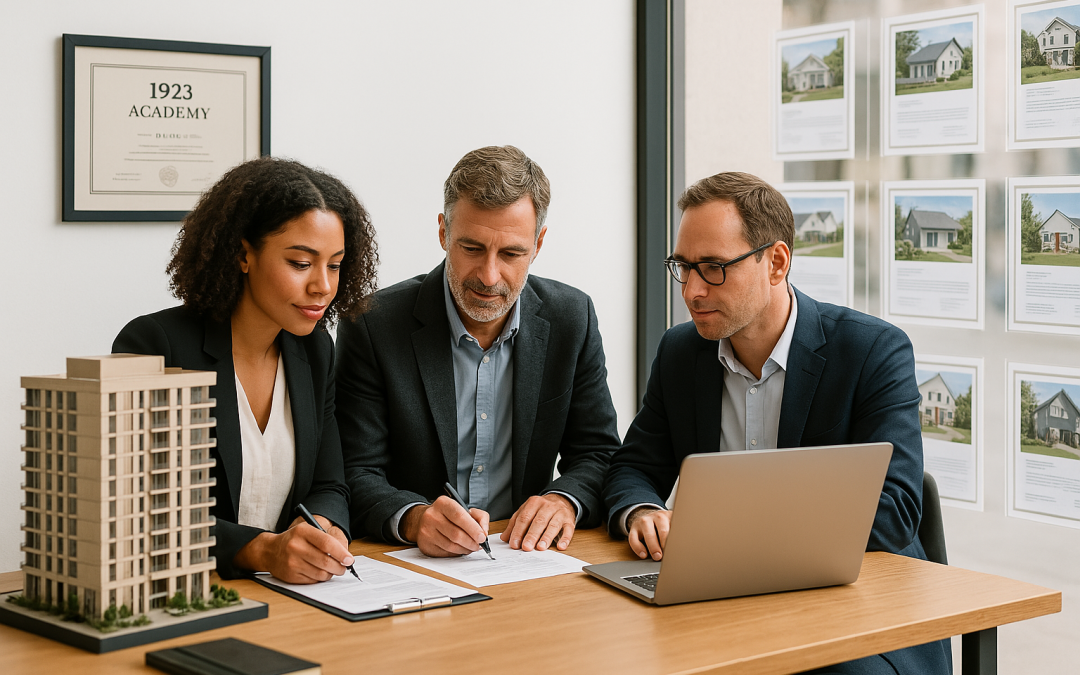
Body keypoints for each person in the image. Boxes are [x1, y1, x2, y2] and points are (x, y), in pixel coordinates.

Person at [602, 172, 951, 675]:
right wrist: (641, 511)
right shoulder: (681, 352)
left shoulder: (872, 350)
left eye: (715, 268)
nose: (693, 290)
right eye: (684, 267)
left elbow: (894, 510)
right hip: (722, 607)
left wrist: (725, 537)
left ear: (776, 262)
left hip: (859, 613)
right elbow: (634, 465)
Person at [336, 145, 620, 557]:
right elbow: (354, 470)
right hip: (414, 564)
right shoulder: (374, 325)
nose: (489, 276)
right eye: (471, 249)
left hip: (527, 559)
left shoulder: (572, 318)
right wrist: (415, 517)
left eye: (511, 254)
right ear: (442, 233)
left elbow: (599, 452)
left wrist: (563, 501)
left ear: (538, 244)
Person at [113, 157, 379, 583]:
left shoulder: (315, 351)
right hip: (186, 595)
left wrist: (323, 528)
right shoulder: (155, 345)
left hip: (290, 595)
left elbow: (330, 486)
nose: (323, 286)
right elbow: (140, 510)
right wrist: (263, 549)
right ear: (242, 254)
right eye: (300, 263)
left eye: (334, 264)